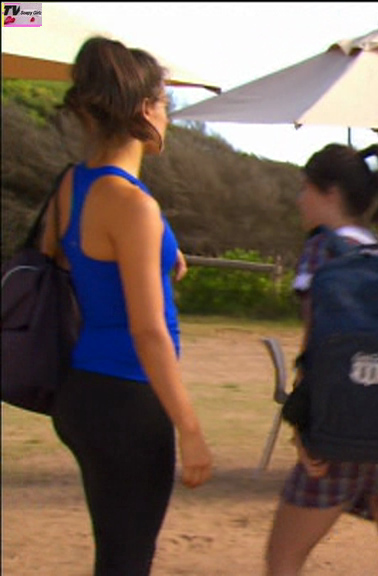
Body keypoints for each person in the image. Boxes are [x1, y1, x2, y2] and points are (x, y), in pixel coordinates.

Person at [41, 36, 213, 575]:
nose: (169, 116)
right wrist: (190, 428)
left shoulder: (74, 183)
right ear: (145, 109)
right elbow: (148, 329)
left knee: (116, 553)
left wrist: (157, 253)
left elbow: (63, 256)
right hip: (128, 399)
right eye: (166, 103)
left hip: (83, 393)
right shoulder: (133, 204)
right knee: (127, 560)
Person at [265, 143, 378, 576]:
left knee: (283, 558)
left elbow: (316, 352)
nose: (299, 199)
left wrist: (303, 430)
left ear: (330, 193)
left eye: (305, 188)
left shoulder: (320, 252)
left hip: (339, 432)